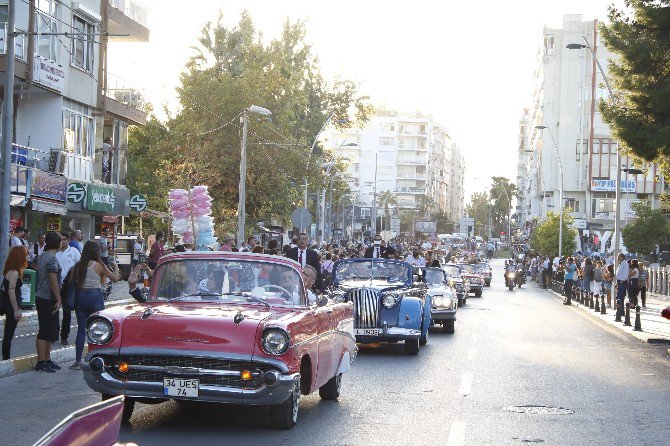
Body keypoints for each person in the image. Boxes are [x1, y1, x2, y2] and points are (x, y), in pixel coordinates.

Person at [69, 241, 121, 369]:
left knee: (81, 329)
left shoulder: (78, 265)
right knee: (99, 328)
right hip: (95, 297)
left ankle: (77, 361)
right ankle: (99, 359)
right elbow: (115, 278)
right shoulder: (99, 265)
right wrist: (115, 267)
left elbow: (71, 281)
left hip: (81, 297)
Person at [34, 232, 63, 372]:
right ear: (57, 244)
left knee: (50, 330)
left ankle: (47, 359)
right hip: (47, 297)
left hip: (42, 296)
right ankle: (41, 362)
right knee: (45, 330)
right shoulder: (51, 259)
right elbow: (53, 280)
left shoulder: (43, 256)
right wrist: (59, 299)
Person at [2, 246, 28, 359]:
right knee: (8, 334)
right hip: (11, 306)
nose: (26, 257)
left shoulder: (9, 270)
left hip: (10, 304)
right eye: (24, 255)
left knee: (8, 334)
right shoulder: (14, 272)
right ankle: (6, 358)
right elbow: (11, 291)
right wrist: (16, 310)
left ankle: (6, 357)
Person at [55, 232, 81, 346]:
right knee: (54, 311)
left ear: (68, 240)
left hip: (68, 285)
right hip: (55, 284)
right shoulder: (55, 253)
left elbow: (80, 265)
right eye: (61, 239)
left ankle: (64, 336)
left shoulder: (74, 251)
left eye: (65, 239)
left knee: (67, 311)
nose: (63, 241)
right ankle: (54, 334)